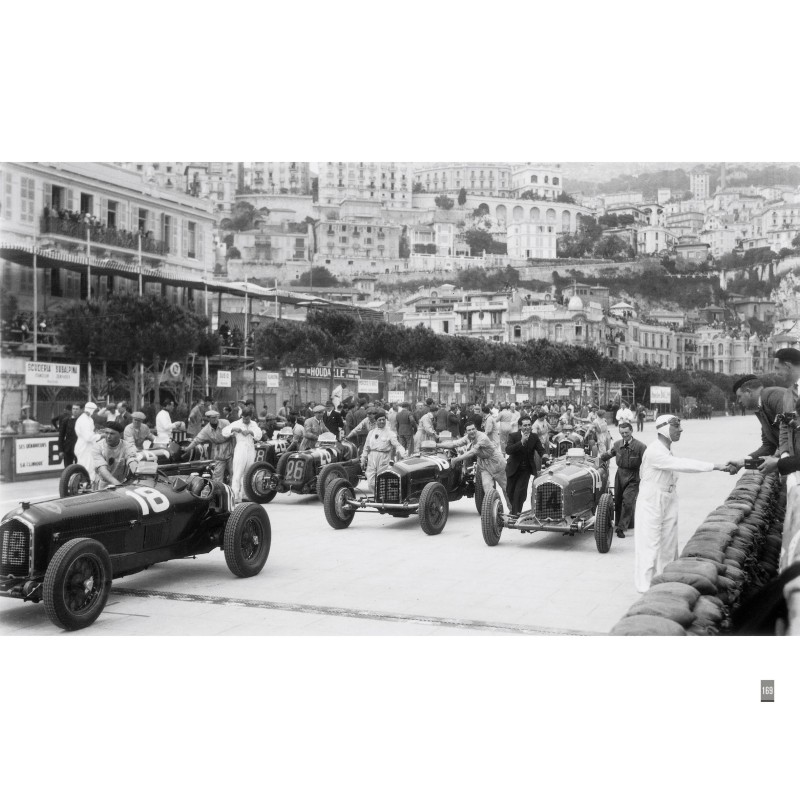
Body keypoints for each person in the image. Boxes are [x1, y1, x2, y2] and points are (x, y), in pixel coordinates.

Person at [634, 415, 733, 593]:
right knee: (649, 545)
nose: (680, 430)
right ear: (664, 428)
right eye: (676, 426)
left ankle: (666, 583)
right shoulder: (654, 451)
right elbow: (682, 464)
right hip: (651, 500)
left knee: (670, 546)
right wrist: (716, 466)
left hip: (668, 497)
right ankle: (644, 588)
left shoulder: (667, 450)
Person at [440, 421, 511, 509]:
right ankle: (495, 512)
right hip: (484, 465)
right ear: (466, 432)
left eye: (473, 429)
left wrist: (456, 459)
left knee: (506, 488)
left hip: (496, 463)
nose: (472, 431)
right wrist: (437, 445)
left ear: (476, 429)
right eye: (469, 430)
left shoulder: (482, 437)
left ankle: (513, 511)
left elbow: (472, 452)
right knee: (487, 489)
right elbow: (454, 444)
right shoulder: (467, 438)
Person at [725, 375, 784, 474]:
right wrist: (743, 461)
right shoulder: (761, 409)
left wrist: (779, 459)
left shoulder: (776, 396)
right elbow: (768, 446)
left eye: (739, 396)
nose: (739, 401)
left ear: (748, 392)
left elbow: (793, 433)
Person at [600, 421, 646, 538]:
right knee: (619, 500)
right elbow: (606, 455)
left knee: (628, 501)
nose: (624, 435)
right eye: (622, 433)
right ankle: (625, 523)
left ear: (631, 431)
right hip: (620, 475)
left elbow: (648, 462)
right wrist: (595, 460)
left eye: (626, 432)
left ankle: (621, 528)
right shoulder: (617, 444)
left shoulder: (641, 447)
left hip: (634, 476)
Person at [505, 416, 545, 516]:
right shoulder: (513, 436)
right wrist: (521, 442)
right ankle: (515, 510)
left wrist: (545, 456)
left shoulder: (534, 437)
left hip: (525, 470)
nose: (527, 427)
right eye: (524, 425)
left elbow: (540, 450)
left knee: (519, 493)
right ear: (520, 426)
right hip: (513, 469)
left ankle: (515, 514)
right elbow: (508, 450)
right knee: (510, 492)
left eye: (529, 425)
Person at [222, 405, 263, 502]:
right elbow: (224, 432)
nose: (245, 420)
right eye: (244, 418)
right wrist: (233, 429)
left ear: (251, 416)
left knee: (248, 472)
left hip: (250, 448)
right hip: (240, 448)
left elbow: (259, 435)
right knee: (237, 471)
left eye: (247, 418)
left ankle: (246, 495)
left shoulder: (253, 424)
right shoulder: (236, 423)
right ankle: (235, 496)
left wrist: (250, 432)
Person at [360, 409, 407, 492]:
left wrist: (404, 454)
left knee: (382, 480)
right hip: (372, 458)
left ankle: (381, 500)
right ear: (376, 421)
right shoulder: (371, 433)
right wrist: (363, 459)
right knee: (371, 482)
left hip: (384, 457)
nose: (382, 421)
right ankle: (375, 496)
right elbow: (366, 447)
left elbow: (397, 445)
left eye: (383, 420)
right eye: (379, 420)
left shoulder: (390, 433)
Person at [185, 409, 235, 483]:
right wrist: (187, 448)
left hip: (230, 450)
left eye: (216, 417)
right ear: (208, 418)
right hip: (219, 453)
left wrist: (235, 449)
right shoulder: (206, 430)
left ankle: (234, 491)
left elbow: (233, 435)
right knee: (217, 475)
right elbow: (196, 440)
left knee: (234, 472)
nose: (215, 419)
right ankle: (219, 492)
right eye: (213, 418)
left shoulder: (225, 422)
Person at [774, 348, 800, 461]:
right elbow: (784, 427)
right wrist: (785, 456)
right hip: (794, 466)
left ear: (787, 365)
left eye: (777, 368)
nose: (776, 373)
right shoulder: (787, 394)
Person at [74, 402, 102, 480]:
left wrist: (97, 433)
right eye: (95, 411)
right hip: (84, 448)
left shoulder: (89, 419)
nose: (96, 413)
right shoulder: (84, 420)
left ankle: (89, 486)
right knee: (86, 469)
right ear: (91, 410)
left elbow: (91, 433)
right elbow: (88, 437)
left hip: (89, 447)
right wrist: (100, 436)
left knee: (91, 468)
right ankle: (86, 487)